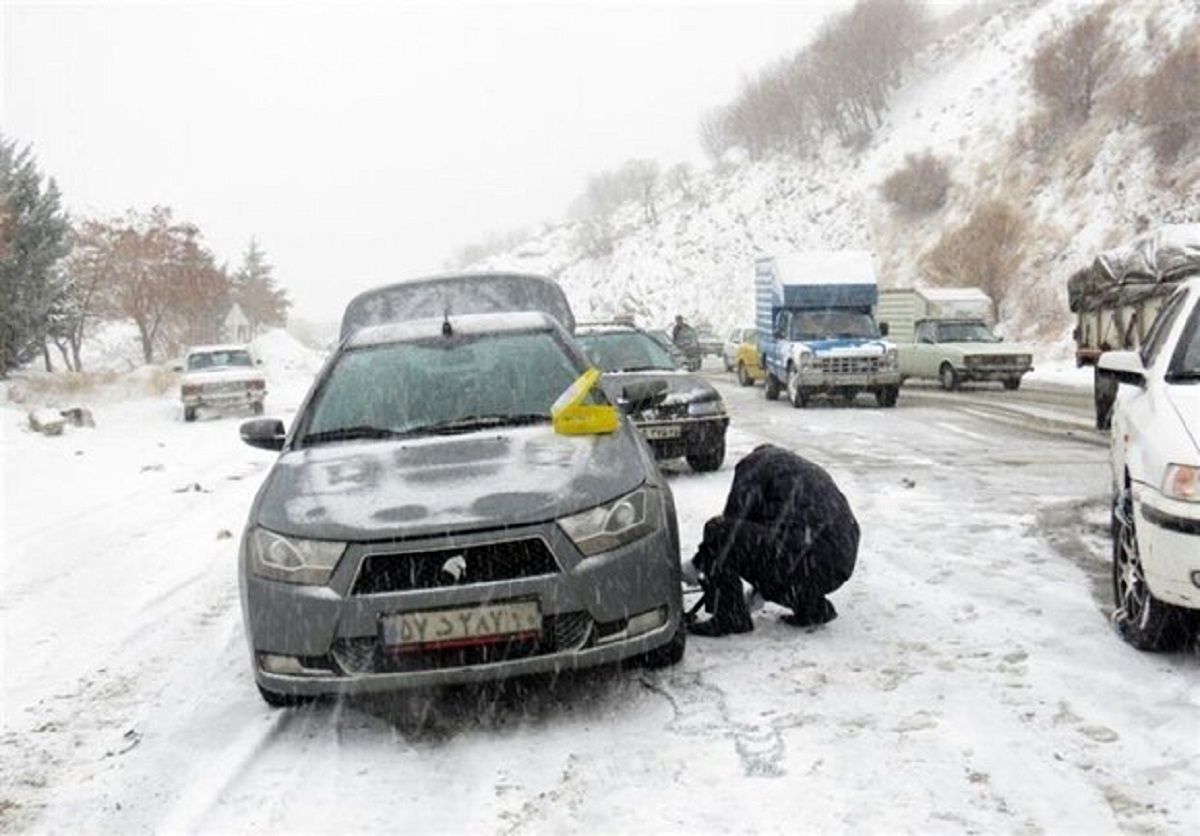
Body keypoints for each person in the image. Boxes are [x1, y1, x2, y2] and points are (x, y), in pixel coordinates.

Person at [686, 444, 859, 637]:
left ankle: (730, 618)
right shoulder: (798, 470)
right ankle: (812, 609)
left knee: (717, 530)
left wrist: (697, 564)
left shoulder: (754, 464)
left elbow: (732, 523)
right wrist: (763, 587)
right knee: (790, 557)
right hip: (838, 561)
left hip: (810, 552)